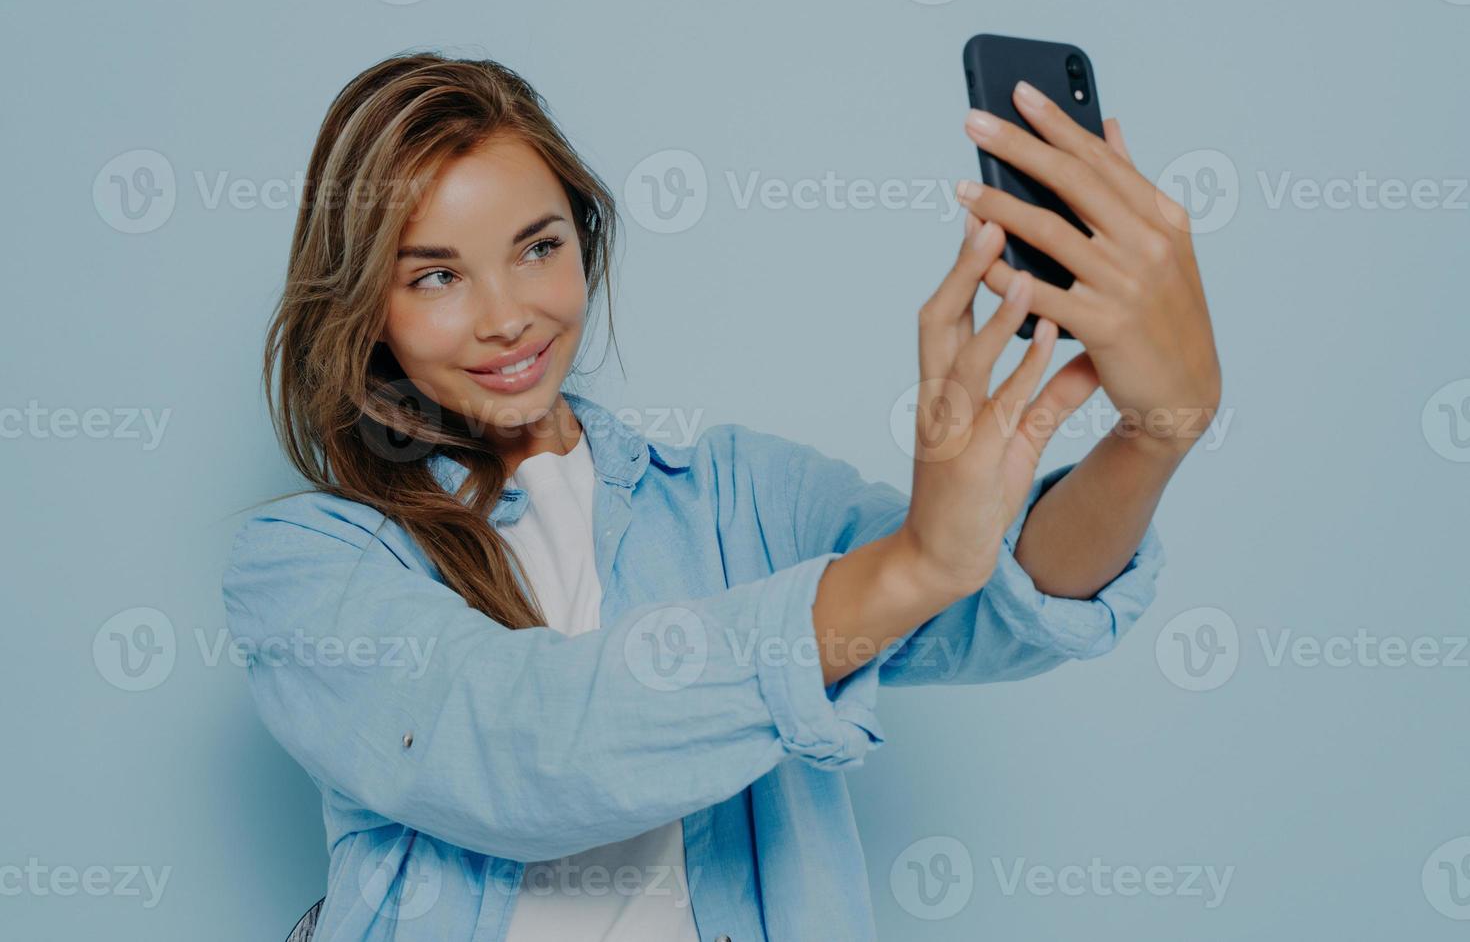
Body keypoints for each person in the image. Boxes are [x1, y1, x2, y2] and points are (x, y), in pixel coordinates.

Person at [221, 51, 1220, 941]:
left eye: (539, 246)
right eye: (436, 276)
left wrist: (1153, 437)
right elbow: (522, 748)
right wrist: (911, 566)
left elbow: (985, 615)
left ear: (586, 238)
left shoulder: (742, 495)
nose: (508, 315)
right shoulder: (306, 564)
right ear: (366, 310)